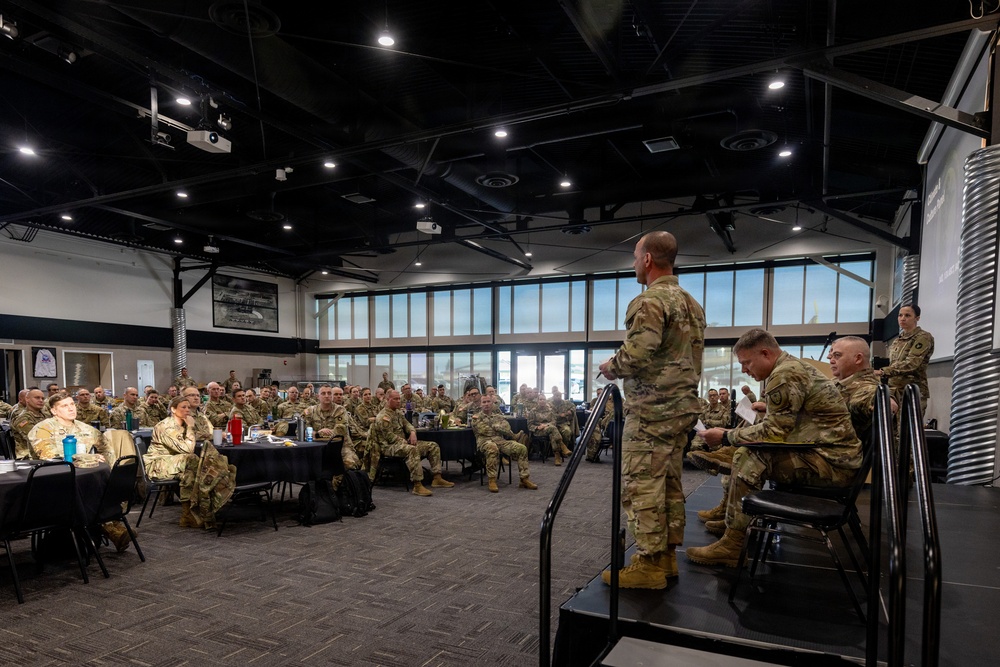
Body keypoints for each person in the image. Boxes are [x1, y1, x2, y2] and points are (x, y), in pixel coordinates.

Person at [688, 328, 861, 567]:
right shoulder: (788, 368)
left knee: (749, 457)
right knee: (747, 449)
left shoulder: (786, 373)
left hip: (832, 464)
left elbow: (774, 432)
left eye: (747, 362)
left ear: (766, 354)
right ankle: (734, 518)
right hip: (829, 455)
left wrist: (727, 436)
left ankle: (734, 544)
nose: (744, 370)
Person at [597, 231, 706, 589]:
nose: (633, 264)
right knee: (669, 483)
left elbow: (639, 352)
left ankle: (647, 564)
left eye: (634, 257)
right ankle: (665, 558)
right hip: (681, 409)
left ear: (647, 259)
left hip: (652, 411)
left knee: (641, 483)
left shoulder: (649, 301)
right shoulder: (691, 302)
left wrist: (610, 366)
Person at [28, 392, 131, 551]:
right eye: (64, 406)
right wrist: (87, 457)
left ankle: (108, 526)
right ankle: (110, 527)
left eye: (71, 404)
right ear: (54, 411)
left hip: (81, 479)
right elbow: (50, 456)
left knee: (97, 483)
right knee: (88, 488)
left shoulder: (85, 429)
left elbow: (106, 448)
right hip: (51, 481)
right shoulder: (43, 428)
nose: (71, 409)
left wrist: (107, 465)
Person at [147, 396, 236, 528]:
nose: (187, 410)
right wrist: (190, 427)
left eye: (188, 407)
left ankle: (191, 512)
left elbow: (201, 435)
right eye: (183, 407)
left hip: (178, 462)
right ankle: (197, 509)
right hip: (159, 463)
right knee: (193, 460)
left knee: (193, 471)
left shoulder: (183, 423)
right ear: (173, 409)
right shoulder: (166, 426)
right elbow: (187, 449)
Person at [367, 390, 454, 496]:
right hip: (389, 447)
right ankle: (417, 485)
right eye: (395, 399)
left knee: (433, 446)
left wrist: (412, 432)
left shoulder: (397, 412)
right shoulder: (383, 416)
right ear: (387, 399)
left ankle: (437, 478)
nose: (398, 401)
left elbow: (408, 424)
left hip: (402, 444)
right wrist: (404, 442)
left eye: (399, 398)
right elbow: (389, 437)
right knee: (412, 449)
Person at [471, 393, 537, 493]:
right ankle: (492, 480)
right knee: (492, 448)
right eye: (484, 402)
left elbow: (507, 428)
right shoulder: (476, 418)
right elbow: (484, 431)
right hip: (485, 442)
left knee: (522, 448)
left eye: (488, 401)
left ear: (492, 403)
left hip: (500, 441)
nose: (486, 404)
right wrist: (497, 427)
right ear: (480, 404)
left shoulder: (498, 416)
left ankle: (524, 479)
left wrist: (497, 427)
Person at [875, 304, 934, 415]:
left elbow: (912, 364)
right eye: (900, 315)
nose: (902, 318)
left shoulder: (923, 337)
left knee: (909, 430)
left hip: (912, 391)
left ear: (917, 318)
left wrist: (883, 371)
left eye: (907, 315)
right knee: (892, 430)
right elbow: (894, 363)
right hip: (894, 391)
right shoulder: (898, 340)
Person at [303, 385, 361, 471]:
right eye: (323, 393)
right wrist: (318, 433)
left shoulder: (340, 410)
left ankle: (338, 482)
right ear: (318, 396)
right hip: (316, 447)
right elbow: (302, 430)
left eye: (329, 393)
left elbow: (340, 430)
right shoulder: (310, 411)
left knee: (350, 464)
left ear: (332, 396)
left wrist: (317, 434)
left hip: (340, 445)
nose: (326, 396)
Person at [527, 392, 571, 466]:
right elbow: (529, 425)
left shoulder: (550, 410)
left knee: (552, 433)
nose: (542, 401)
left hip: (549, 428)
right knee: (553, 430)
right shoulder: (533, 411)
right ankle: (561, 448)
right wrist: (537, 427)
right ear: (537, 401)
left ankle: (557, 455)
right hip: (539, 431)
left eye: (544, 399)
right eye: (540, 399)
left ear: (546, 401)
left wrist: (546, 425)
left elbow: (554, 421)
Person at [11, 389, 46, 459]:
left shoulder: (44, 415)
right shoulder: (23, 418)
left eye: (42, 398)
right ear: (27, 399)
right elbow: (35, 438)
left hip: (43, 451)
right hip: (28, 455)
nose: (41, 400)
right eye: (37, 398)